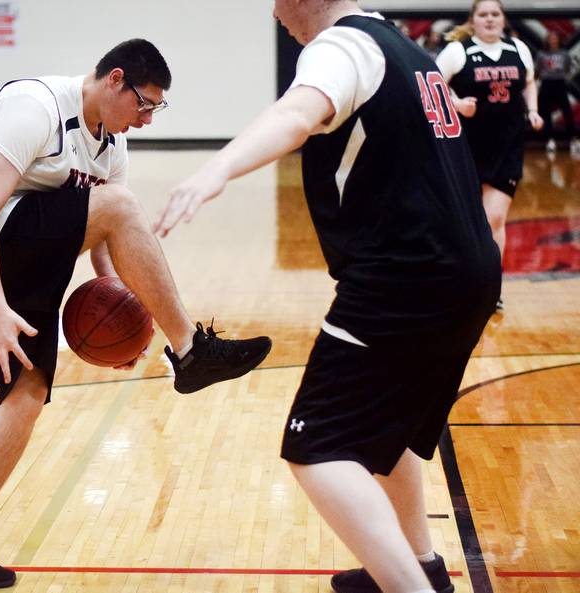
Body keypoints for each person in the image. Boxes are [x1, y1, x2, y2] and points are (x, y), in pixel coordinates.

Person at [155, 1, 499, 592]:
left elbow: (298, 113)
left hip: (405, 279)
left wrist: (218, 169)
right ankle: (420, 564)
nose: (274, 11)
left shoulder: (341, 47)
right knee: (391, 429)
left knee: (315, 446)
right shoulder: (406, 48)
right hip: (467, 272)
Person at [0, 38, 271, 589]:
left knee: (26, 395)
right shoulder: (37, 109)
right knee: (122, 204)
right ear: (115, 80)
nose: (148, 119)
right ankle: (192, 352)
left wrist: (125, 323)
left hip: (17, 242)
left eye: (157, 109)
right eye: (145, 104)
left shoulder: (112, 144)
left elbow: (105, 237)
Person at [436, 0, 543, 310]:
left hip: (507, 146)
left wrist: (533, 110)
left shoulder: (518, 49)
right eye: (483, 14)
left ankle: (491, 287)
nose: (490, 19)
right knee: (466, 221)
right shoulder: (459, 51)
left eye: (495, 14)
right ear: (473, 20)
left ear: (503, 19)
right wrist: (456, 104)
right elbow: (432, 83)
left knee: (495, 218)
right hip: (466, 148)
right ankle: (460, 280)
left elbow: (529, 82)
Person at [536, 31, 578, 157]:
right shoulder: (541, 54)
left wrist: (561, 76)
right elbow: (538, 69)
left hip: (559, 84)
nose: (553, 40)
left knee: (567, 112)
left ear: (559, 40)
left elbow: (568, 68)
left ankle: (573, 140)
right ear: (547, 40)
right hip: (546, 84)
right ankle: (550, 141)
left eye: (555, 38)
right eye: (551, 38)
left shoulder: (564, 54)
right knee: (546, 113)